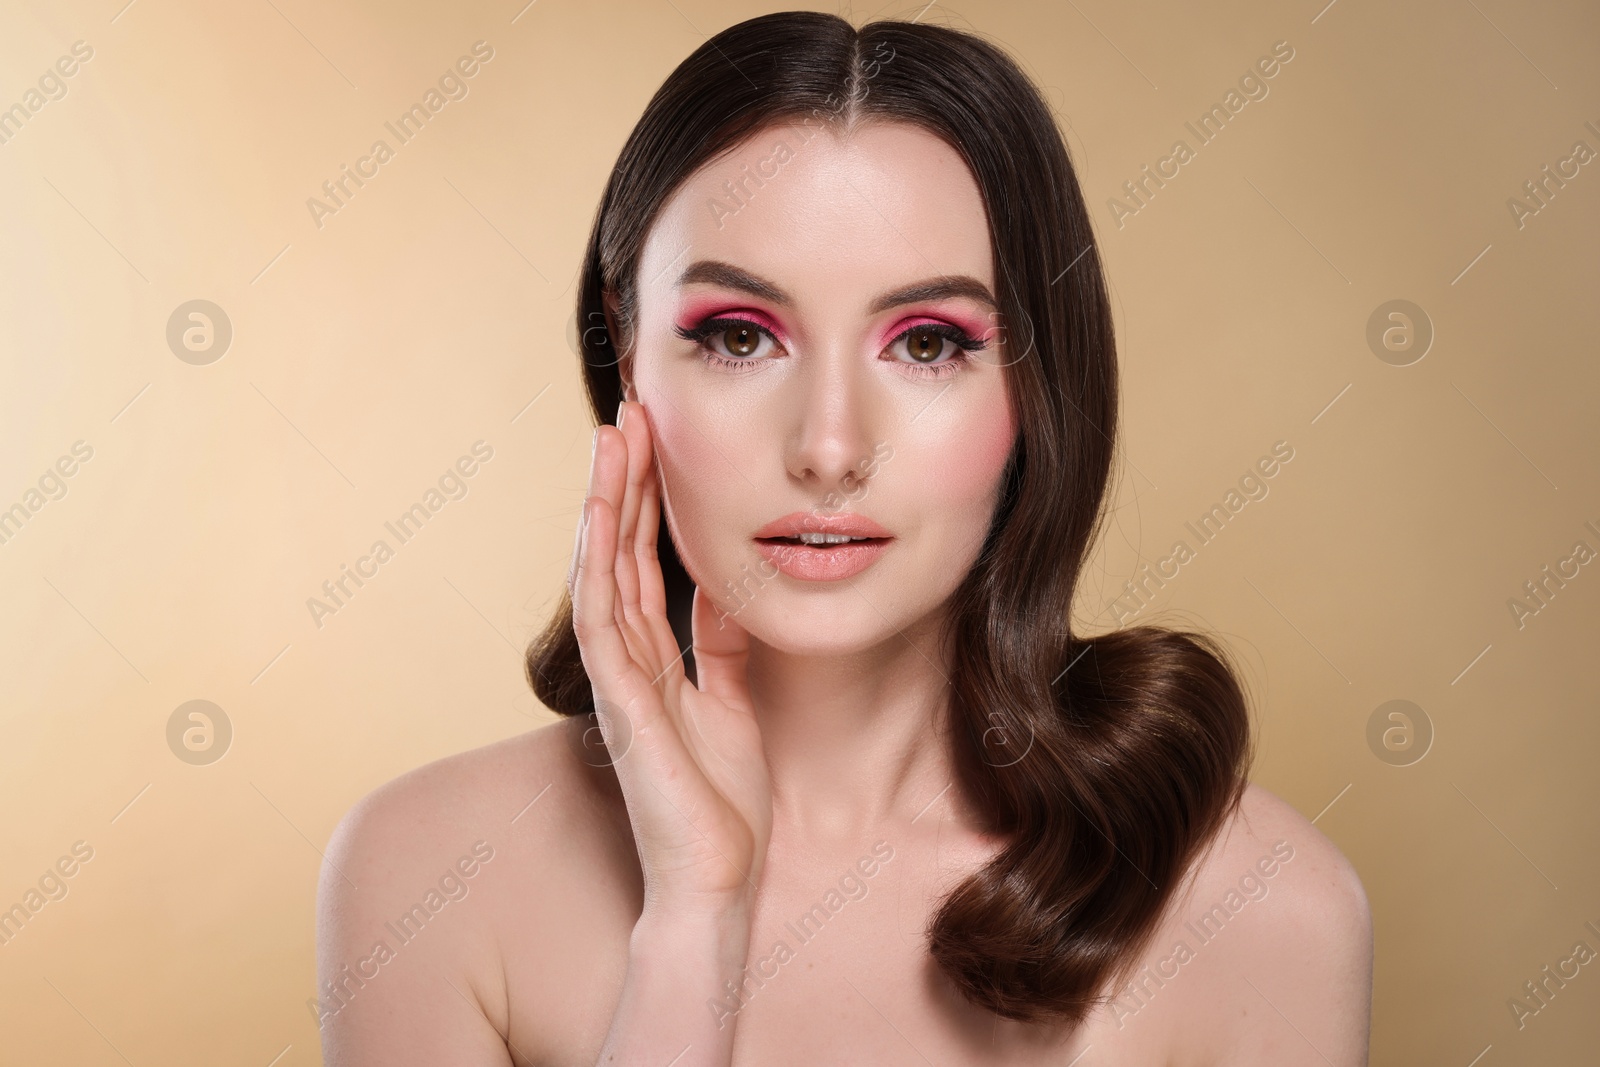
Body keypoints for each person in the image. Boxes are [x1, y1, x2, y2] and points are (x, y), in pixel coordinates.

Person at [316, 11, 1372, 1064]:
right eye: (739, 336)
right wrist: (694, 925)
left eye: (926, 342)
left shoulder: (1263, 912)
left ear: (1035, 387)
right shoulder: (424, 876)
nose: (829, 447)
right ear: (627, 357)